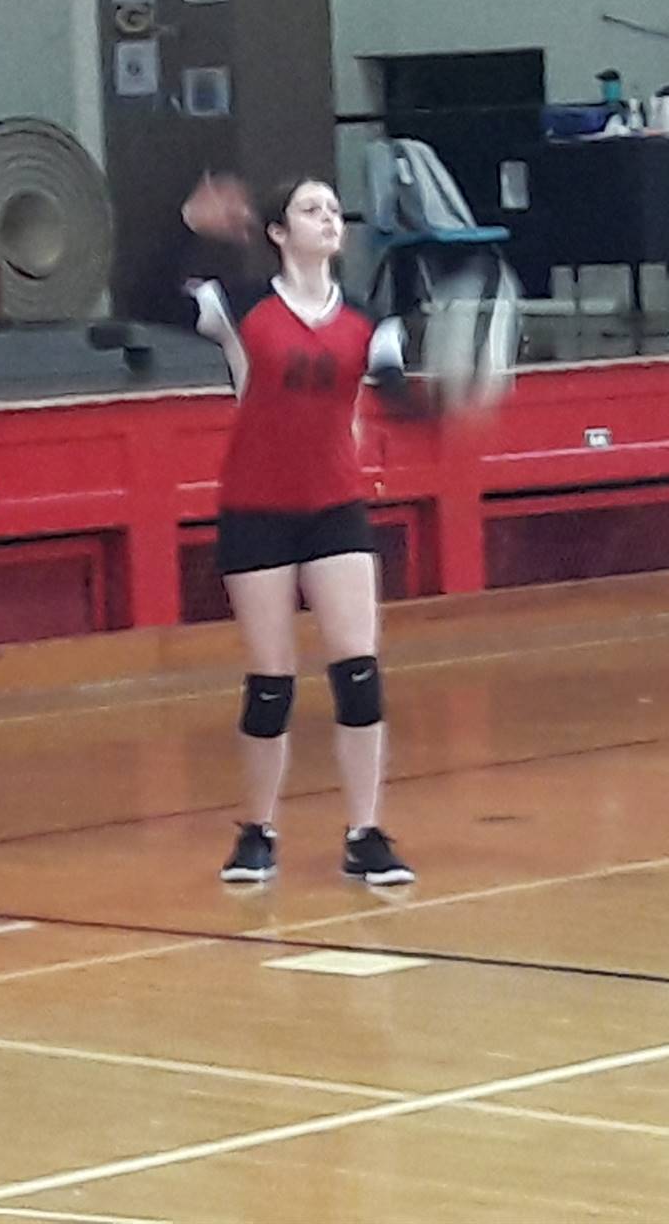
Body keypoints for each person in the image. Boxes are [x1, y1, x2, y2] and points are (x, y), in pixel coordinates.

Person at [183, 174, 418, 887]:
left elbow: (402, 401)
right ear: (278, 233)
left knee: (359, 675)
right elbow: (137, 295)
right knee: (270, 687)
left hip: (335, 507)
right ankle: (256, 832)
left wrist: (452, 403)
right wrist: (191, 227)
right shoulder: (241, 306)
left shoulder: (370, 322)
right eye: (309, 210)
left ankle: (366, 832)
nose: (328, 219)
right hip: (255, 510)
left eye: (333, 210)